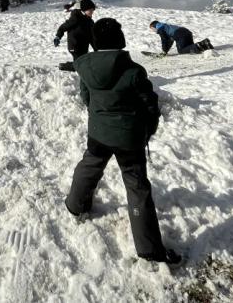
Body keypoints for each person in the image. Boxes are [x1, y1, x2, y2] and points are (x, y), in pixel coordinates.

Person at [64, 17, 181, 265]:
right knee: (137, 187)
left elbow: (86, 97)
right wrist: (149, 128)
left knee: (90, 166)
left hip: (98, 131)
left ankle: (75, 205)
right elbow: (149, 104)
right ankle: (149, 249)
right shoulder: (133, 70)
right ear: (121, 39)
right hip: (129, 137)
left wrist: (99, 118)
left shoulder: (84, 66)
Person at [54, 0, 97, 72]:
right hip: (74, 45)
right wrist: (58, 37)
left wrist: (97, 48)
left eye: (92, 10)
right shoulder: (75, 19)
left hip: (83, 46)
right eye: (90, 10)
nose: (92, 12)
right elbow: (63, 27)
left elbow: (92, 36)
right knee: (80, 65)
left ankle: (70, 65)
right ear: (84, 10)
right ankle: (64, 66)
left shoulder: (90, 22)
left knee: (83, 63)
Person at [148, 21, 213, 55]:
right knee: (190, 48)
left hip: (180, 34)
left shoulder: (160, 29)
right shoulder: (166, 26)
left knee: (181, 51)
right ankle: (206, 45)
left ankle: (201, 44)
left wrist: (164, 52)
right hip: (186, 32)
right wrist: (165, 51)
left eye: (152, 29)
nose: (153, 31)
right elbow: (170, 41)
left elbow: (164, 40)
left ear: (155, 26)